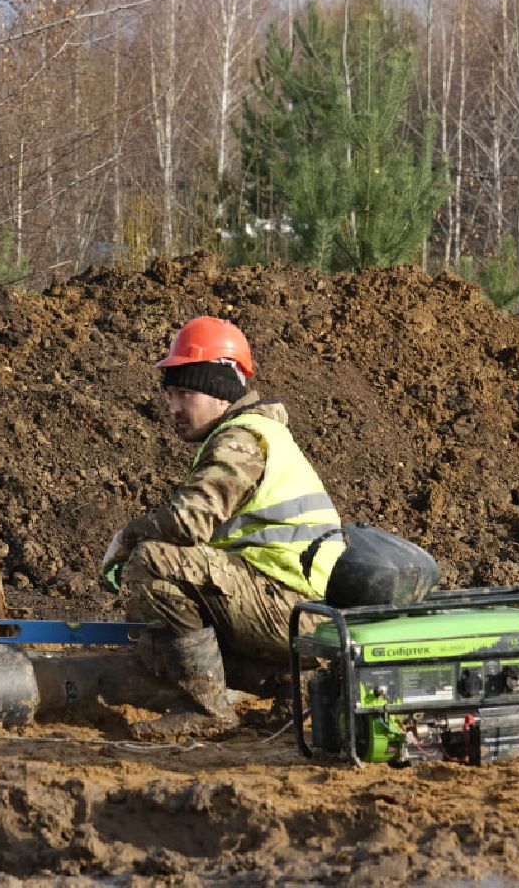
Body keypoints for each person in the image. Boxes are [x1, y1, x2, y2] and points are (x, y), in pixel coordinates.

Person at [100, 316, 345, 740]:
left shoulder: (241, 441)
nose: (173, 408)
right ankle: (295, 688)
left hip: (295, 608)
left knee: (154, 562)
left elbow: (187, 521)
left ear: (220, 392)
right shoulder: (261, 434)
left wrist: (127, 537)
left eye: (185, 393)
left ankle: (206, 710)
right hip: (303, 607)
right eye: (171, 394)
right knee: (183, 616)